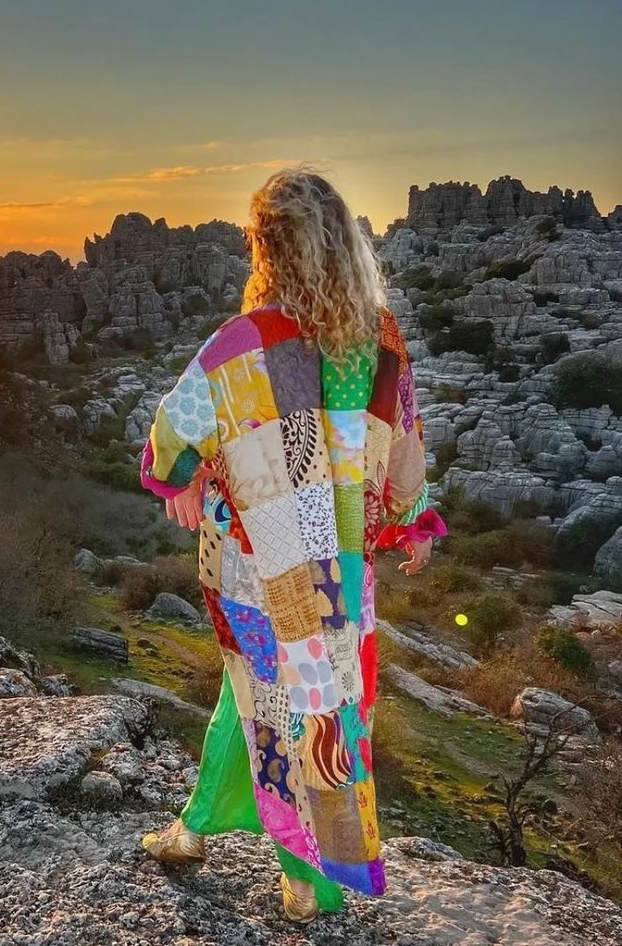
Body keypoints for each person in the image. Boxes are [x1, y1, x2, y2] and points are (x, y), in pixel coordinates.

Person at [137, 168, 446, 922]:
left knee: (281, 702)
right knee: (300, 702)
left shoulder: (242, 342)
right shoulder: (380, 339)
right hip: (338, 571)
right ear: (341, 243)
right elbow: (404, 445)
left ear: (267, 249)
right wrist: (412, 521)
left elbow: (173, 431)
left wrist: (180, 479)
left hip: (255, 565)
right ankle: (196, 830)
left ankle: (300, 876)